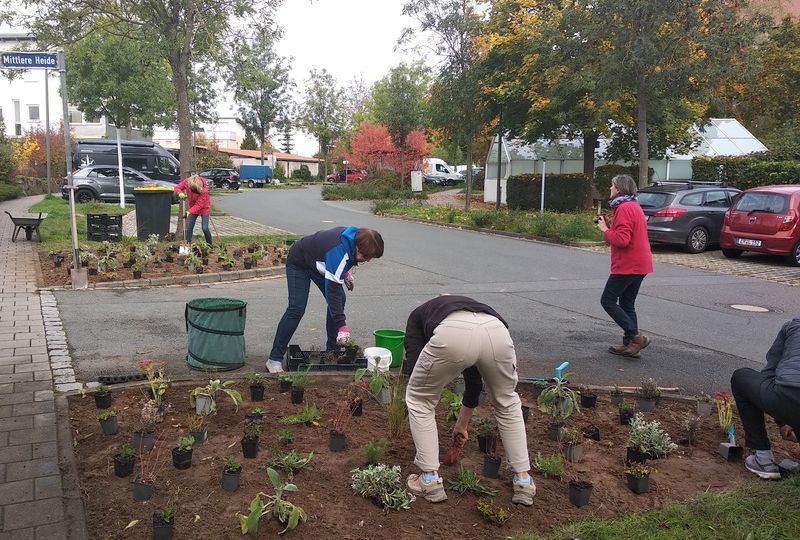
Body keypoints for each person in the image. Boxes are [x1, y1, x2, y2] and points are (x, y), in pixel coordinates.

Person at [403, 295, 535, 506]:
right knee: (507, 402)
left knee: (420, 399)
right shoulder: (468, 306)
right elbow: (474, 381)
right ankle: (523, 480)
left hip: (453, 335)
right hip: (497, 332)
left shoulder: (418, 317)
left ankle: (429, 479)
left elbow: (416, 371)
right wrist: (462, 424)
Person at [266, 226, 384, 374]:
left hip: (318, 264)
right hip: (299, 263)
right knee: (296, 309)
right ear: (358, 247)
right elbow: (333, 291)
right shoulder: (339, 251)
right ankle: (274, 358)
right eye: (366, 257)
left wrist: (345, 273)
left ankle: (332, 351)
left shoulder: (354, 239)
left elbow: (340, 259)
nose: (367, 260)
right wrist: (342, 328)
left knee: (340, 299)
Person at [731, 318, 800, 480]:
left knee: (741, 378)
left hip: (790, 396)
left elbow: (769, 376)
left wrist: (782, 421)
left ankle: (762, 458)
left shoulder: (793, 326)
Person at [595, 174, 653, 358]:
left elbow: (622, 240)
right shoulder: (633, 205)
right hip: (641, 263)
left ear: (619, 189)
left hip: (629, 265)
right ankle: (630, 344)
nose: (609, 189)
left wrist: (604, 229)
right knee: (627, 303)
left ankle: (635, 337)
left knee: (608, 301)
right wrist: (609, 226)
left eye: (611, 186)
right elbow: (626, 233)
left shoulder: (624, 208)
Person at [174, 173, 212, 245]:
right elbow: (177, 187)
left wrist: (188, 212)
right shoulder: (187, 182)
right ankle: (187, 244)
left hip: (204, 207)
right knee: (189, 226)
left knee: (205, 228)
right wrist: (180, 193)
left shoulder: (204, 190)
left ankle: (209, 245)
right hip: (192, 206)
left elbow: (199, 205)